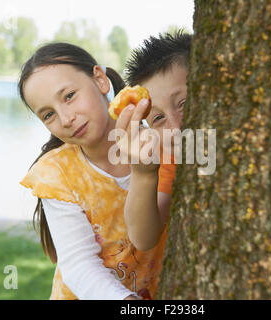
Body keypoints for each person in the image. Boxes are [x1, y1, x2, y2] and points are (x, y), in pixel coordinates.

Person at [18, 42, 165, 300]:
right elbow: (78, 265)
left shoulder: (158, 145)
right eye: (49, 114)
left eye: (69, 96)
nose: (65, 118)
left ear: (99, 80)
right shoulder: (57, 173)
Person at [121, 31, 192, 251]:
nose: (176, 126)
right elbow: (143, 238)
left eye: (183, 103)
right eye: (158, 118)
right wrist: (143, 173)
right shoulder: (172, 157)